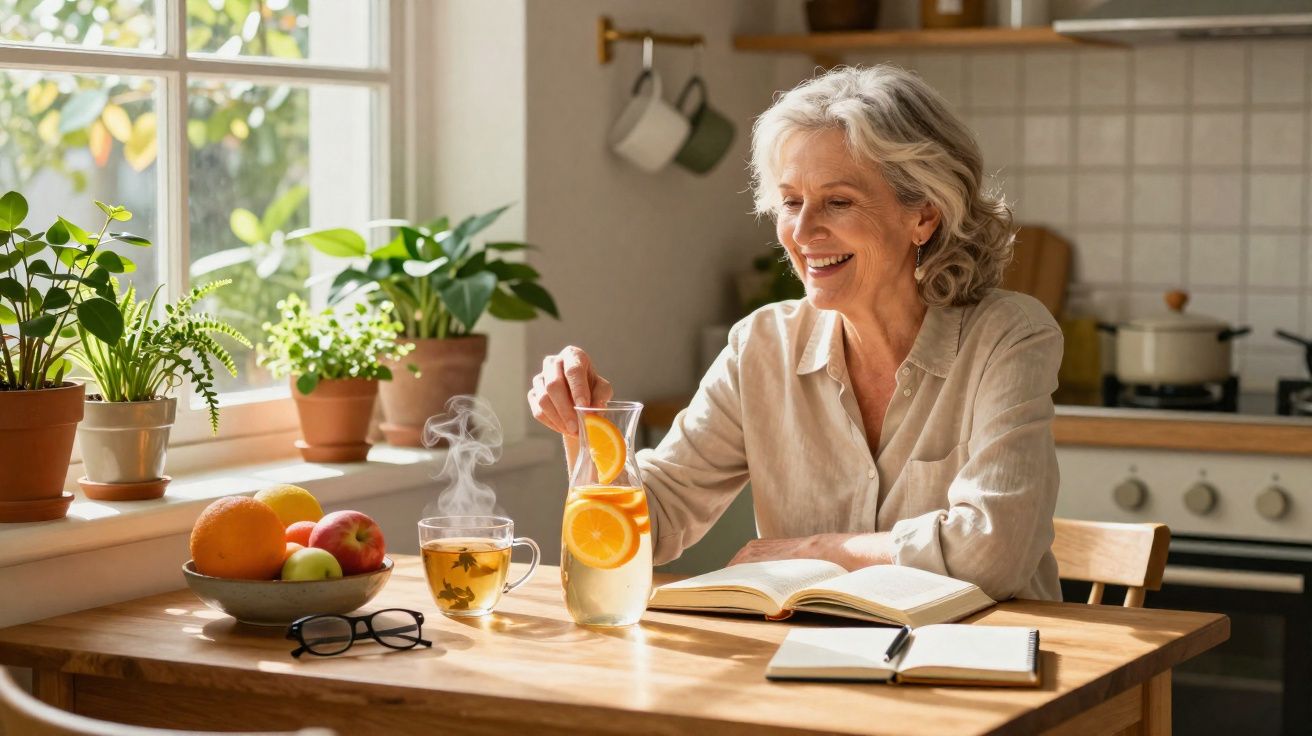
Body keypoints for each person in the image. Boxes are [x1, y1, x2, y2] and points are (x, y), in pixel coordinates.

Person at [527, 65, 1062, 601]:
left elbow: (992, 552)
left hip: (982, 666)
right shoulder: (761, 345)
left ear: (923, 215)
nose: (803, 232)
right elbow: (654, 524)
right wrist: (584, 430)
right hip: (812, 664)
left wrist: (819, 552)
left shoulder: (1008, 337)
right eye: (789, 201)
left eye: (838, 201)